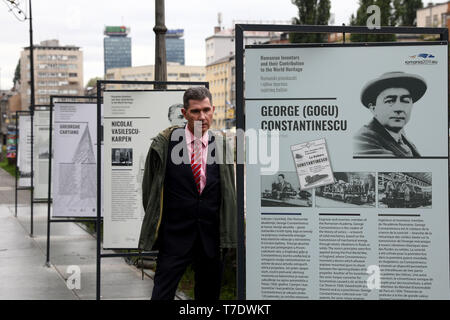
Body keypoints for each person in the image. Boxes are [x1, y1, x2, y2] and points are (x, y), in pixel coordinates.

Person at [138, 87, 237, 300]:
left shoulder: (221, 145)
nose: (202, 116)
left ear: (213, 110)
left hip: (211, 239)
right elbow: (150, 193)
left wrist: (227, 234)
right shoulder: (164, 144)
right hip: (174, 237)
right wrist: (162, 228)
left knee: (208, 297)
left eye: (207, 110)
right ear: (184, 113)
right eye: (195, 111)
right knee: (162, 294)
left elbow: (228, 192)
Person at [353, 71, 427, 157]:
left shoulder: (402, 138)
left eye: (405, 101)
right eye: (390, 101)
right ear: (373, 108)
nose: (399, 108)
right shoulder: (363, 140)